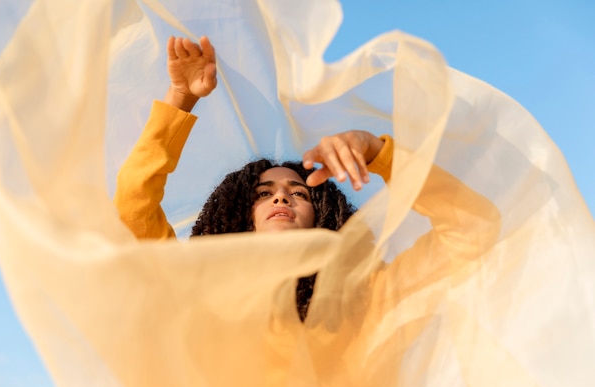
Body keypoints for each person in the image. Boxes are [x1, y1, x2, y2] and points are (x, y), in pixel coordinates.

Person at [114, 35, 501, 322]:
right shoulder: (194, 286)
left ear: (324, 216)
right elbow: (134, 203)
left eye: (298, 192)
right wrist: (181, 98)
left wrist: (376, 152)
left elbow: (474, 228)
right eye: (263, 193)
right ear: (235, 214)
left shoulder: (365, 297)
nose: (281, 198)